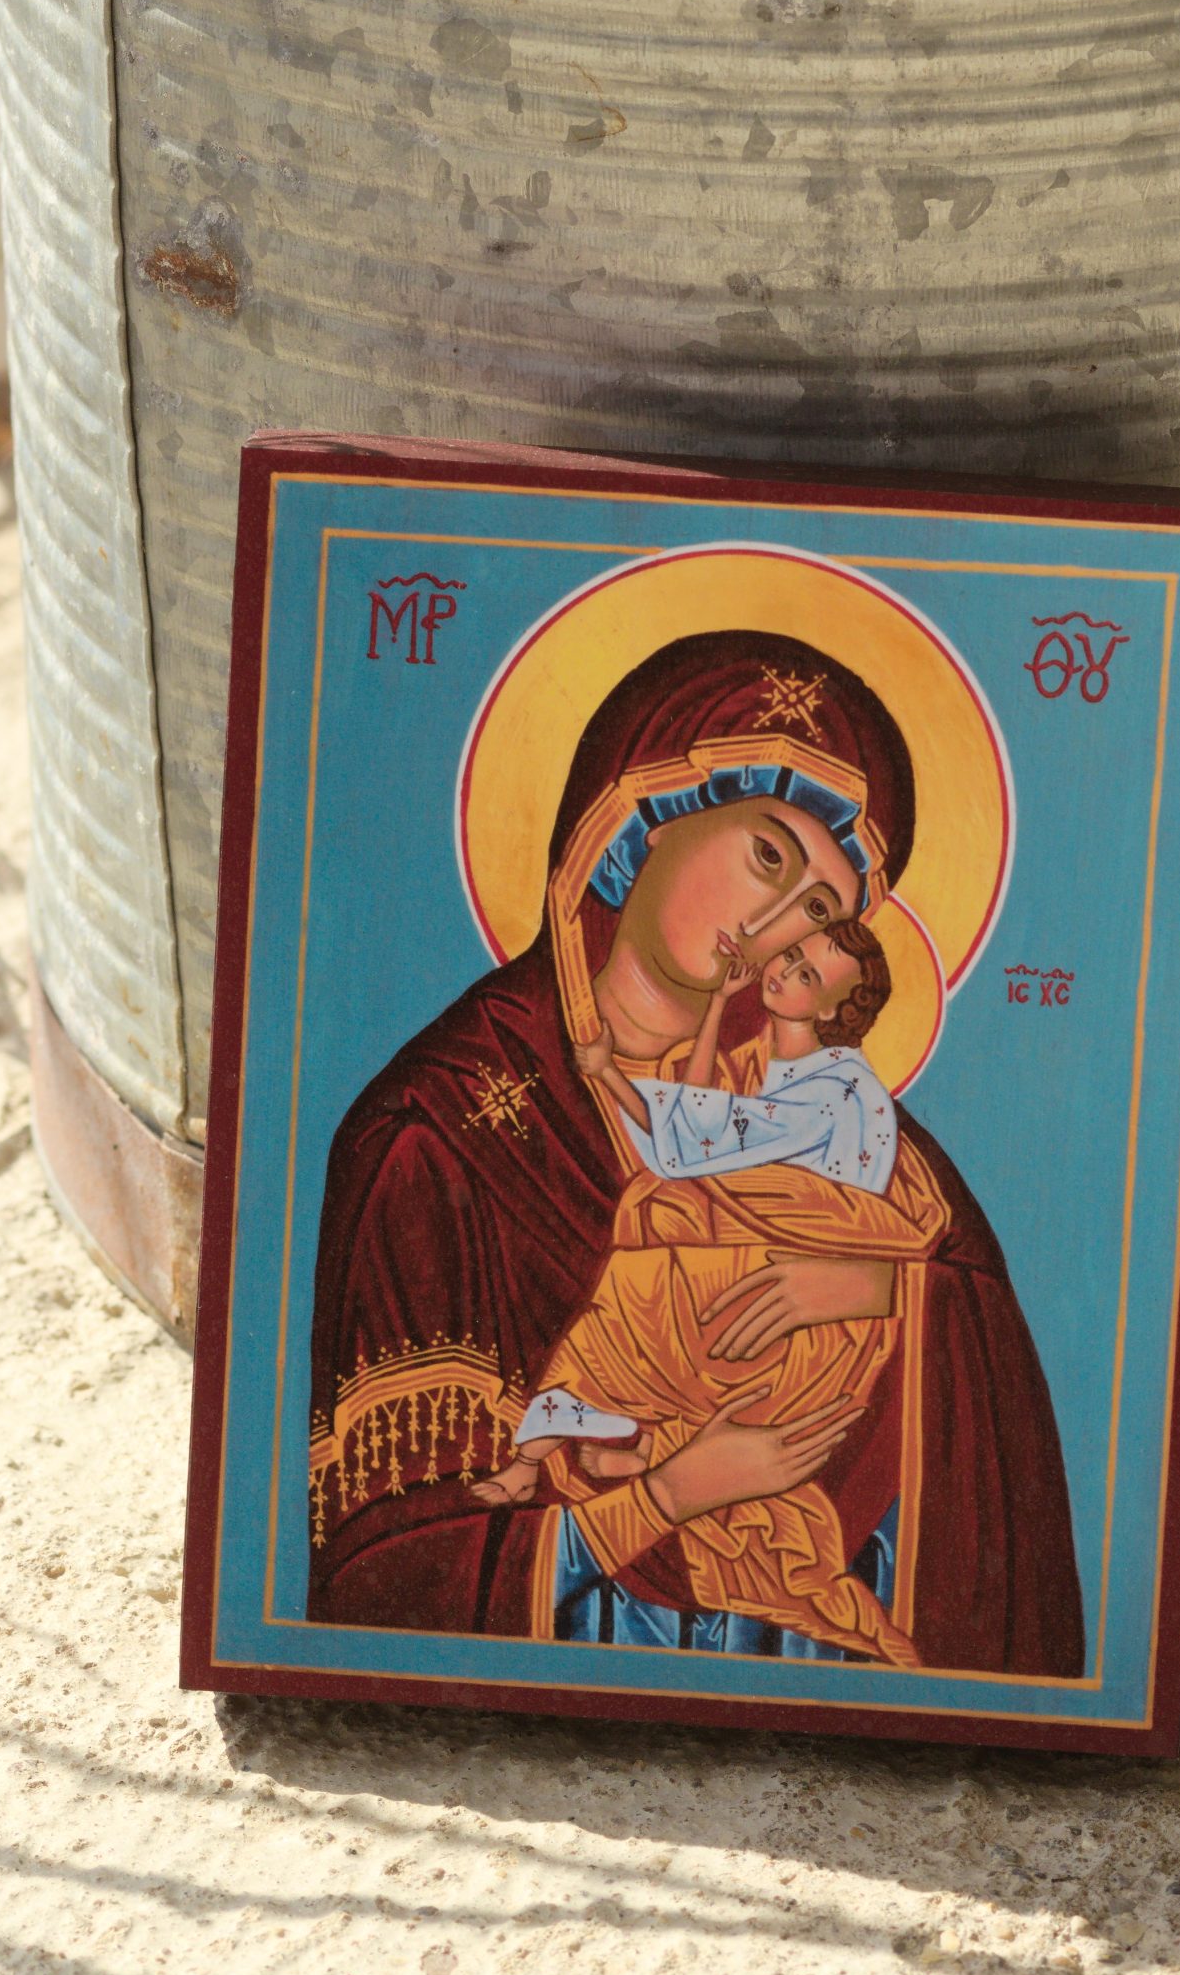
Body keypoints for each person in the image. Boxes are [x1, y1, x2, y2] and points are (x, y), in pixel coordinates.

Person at [307, 629, 1084, 1676]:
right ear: (641, 813)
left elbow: (973, 1339)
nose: (774, 921)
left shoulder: (845, 1130)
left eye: (820, 909)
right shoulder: (440, 1133)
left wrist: (865, 1288)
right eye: (768, 854)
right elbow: (386, 1583)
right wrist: (674, 1492)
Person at [468, 923, 930, 1667]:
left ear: (834, 1009)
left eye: (808, 975)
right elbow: (702, 1108)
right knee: (649, 1256)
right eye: (792, 955)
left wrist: (608, 1077)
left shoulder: (842, 1090)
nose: (785, 970)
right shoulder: (768, 1064)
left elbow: (703, 1137)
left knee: (645, 1280)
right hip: (753, 1261)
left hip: (807, 1303)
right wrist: (718, 1003)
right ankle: (570, 1453)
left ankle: (570, 1449)